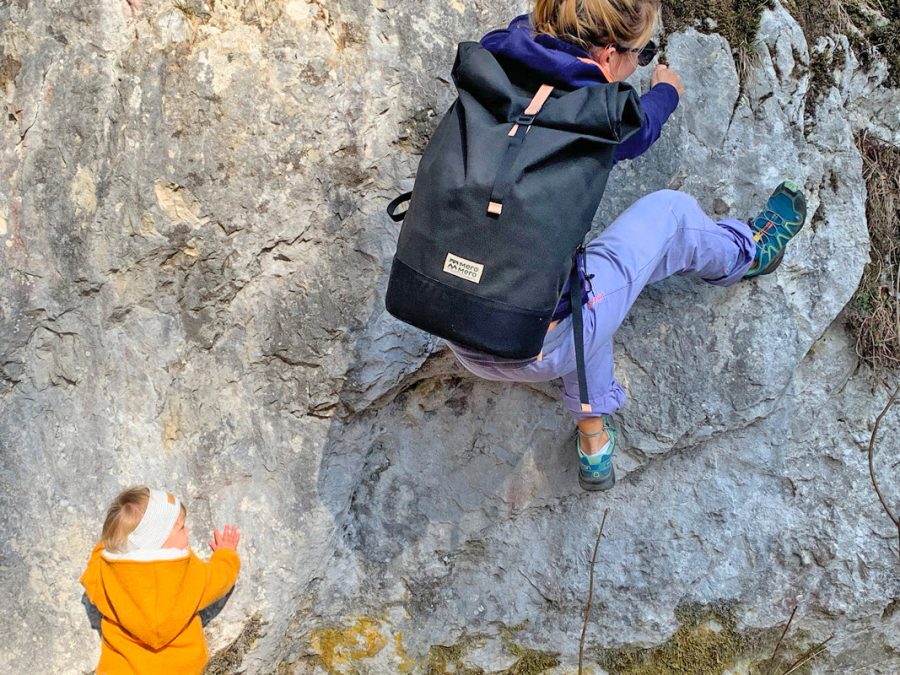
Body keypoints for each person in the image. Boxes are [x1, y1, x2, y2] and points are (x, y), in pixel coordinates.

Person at [447, 0, 807, 491]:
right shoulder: (599, 121)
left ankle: (595, 439)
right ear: (610, 53)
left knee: (572, 273)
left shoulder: (490, 68)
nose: (638, 64)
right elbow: (643, 123)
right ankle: (748, 253)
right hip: (534, 344)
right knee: (669, 217)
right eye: (641, 53)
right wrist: (666, 91)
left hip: (450, 317)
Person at [81, 487, 241, 674]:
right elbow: (220, 578)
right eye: (181, 527)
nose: (187, 530)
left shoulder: (104, 571)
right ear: (160, 540)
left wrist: (115, 541)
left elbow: (91, 573)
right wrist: (226, 555)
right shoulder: (190, 574)